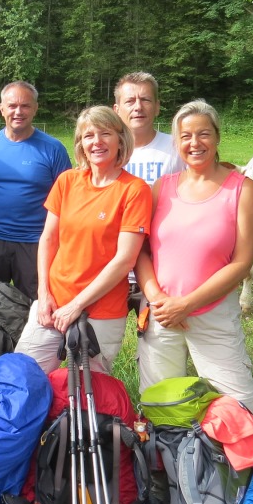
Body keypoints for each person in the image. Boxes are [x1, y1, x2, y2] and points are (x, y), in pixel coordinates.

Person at [134, 99, 253, 418]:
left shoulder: (242, 189)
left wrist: (187, 304)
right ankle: (164, 466)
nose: (195, 143)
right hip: (161, 314)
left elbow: (242, 263)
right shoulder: (160, 188)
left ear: (217, 137)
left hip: (213, 313)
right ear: (176, 142)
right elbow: (143, 250)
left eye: (203, 134)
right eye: (186, 136)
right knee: (159, 404)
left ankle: (250, 467)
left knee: (239, 405)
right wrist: (157, 300)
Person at [14, 106, 152, 374]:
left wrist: (76, 306)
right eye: (88, 136)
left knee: (88, 399)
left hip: (101, 310)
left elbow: (124, 260)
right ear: (80, 144)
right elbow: (48, 239)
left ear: (120, 140)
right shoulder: (67, 181)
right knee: (26, 379)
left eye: (105, 134)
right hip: (53, 303)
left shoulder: (134, 190)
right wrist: (43, 295)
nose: (96, 142)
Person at [0, 81, 71, 301]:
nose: (18, 112)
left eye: (25, 106)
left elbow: (67, 205)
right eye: (12, 106)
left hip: (35, 244)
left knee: (36, 311)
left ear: (35, 108)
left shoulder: (53, 149)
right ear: (1, 108)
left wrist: (61, 250)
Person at [113, 71, 183, 315]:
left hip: (161, 266)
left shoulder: (177, 148)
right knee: (99, 344)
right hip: (112, 265)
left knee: (155, 345)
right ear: (116, 108)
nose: (138, 107)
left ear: (157, 106)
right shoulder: (104, 149)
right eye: (130, 101)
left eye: (146, 100)